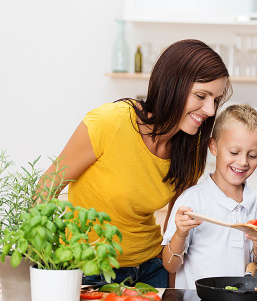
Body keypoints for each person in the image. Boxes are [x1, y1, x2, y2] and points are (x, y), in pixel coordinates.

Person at [39, 39, 232, 287]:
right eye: (201, 96)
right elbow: (46, 187)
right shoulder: (109, 122)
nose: (210, 110)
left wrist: (171, 286)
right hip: (89, 271)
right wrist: (29, 261)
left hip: (152, 269)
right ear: (172, 85)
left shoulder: (190, 147)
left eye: (215, 100)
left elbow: (175, 225)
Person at [161, 104, 257, 289]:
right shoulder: (191, 201)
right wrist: (181, 233)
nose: (243, 162)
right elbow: (170, 265)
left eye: (253, 155)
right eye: (234, 152)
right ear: (213, 147)